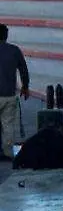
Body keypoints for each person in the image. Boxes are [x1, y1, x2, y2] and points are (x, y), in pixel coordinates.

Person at [0, 25, 30, 161]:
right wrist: (25, 87)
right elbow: (23, 70)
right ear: (6, 36)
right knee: (8, 125)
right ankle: (7, 153)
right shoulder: (14, 50)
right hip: (9, 94)